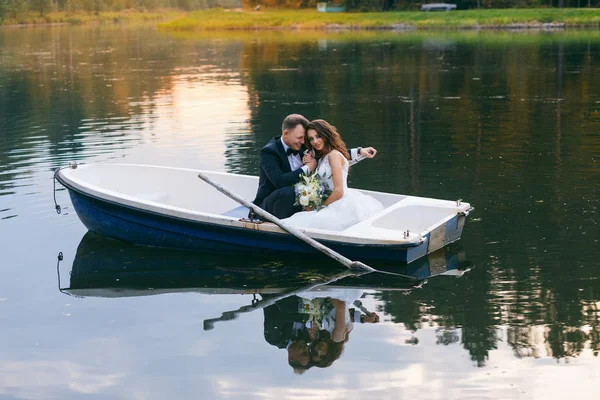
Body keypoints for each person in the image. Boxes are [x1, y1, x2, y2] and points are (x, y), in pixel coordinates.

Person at [252, 114, 377, 220]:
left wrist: (359, 151)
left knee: (299, 195)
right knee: (289, 192)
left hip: (298, 201)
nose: (303, 142)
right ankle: (281, 227)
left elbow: (329, 157)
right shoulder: (269, 152)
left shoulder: (303, 145)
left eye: (305, 138)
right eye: (300, 138)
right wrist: (308, 168)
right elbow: (279, 181)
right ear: (286, 133)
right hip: (268, 205)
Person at [282, 119, 384, 231]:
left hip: (339, 203)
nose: (315, 141)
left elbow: (339, 191)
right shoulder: (322, 158)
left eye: (318, 136)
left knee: (297, 223)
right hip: (330, 201)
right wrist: (310, 165)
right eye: (311, 139)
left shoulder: (334, 156)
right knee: (296, 221)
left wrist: (318, 207)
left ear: (326, 135)